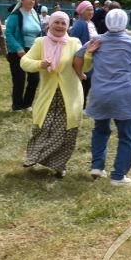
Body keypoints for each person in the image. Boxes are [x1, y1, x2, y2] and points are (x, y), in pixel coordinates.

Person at [75, 8, 131, 185]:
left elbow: (77, 58)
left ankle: (97, 166)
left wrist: (80, 73)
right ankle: (119, 176)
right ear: (125, 23)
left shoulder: (96, 40)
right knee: (127, 136)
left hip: (100, 94)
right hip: (124, 95)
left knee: (100, 129)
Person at [19, 11, 85, 178]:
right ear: (50, 24)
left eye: (64, 23)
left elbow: (85, 64)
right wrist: (39, 63)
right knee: (43, 127)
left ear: (68, 26)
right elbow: (24, 62)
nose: (60, 26)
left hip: (69, 95)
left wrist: (90, 53)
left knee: (66, 132)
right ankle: (33, 157)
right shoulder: (41, 42)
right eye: (57, 22)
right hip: (48, 94)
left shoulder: (74, 42)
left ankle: (59, 166)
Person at [5, 0, 42, 112]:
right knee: (19, 79)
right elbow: (8, 34)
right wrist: (18, 48)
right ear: (22, 0)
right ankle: (17, 106)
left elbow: (39, 33)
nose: (32, 0)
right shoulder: (15, 15)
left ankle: (27, 104)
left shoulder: (35, 14)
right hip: (18, 51)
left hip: (34, 50)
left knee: (34, 79)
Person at [69, 0, 98, 104]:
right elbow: (73, 41)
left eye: (92, 9)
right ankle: (81, 105)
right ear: (81, 12)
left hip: (89, 57)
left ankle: (82, 104)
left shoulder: (91, 23)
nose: (91, 12)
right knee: (84, 81)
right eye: (88, 10)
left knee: (87, 82)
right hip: (82, 57)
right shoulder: (80, 24)